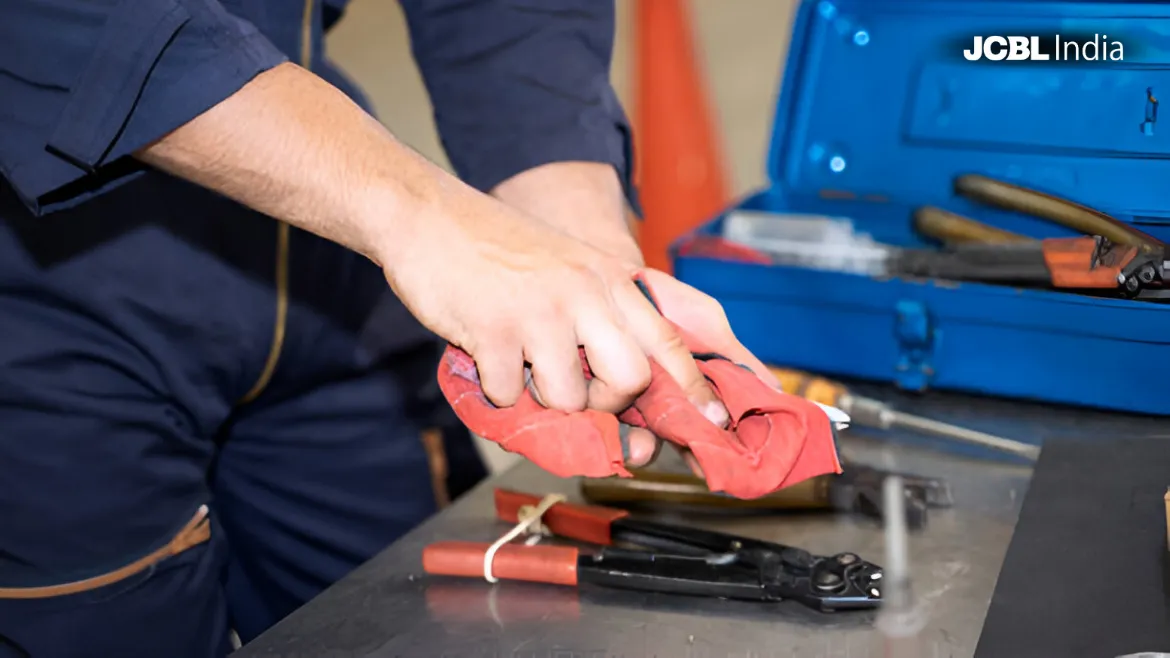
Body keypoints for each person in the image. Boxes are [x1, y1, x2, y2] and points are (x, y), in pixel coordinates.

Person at [0, 1, 783, 656]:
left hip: (319, 247)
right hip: (42, 298)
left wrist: (578, 237)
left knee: (439, 625)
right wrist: (421, 215)